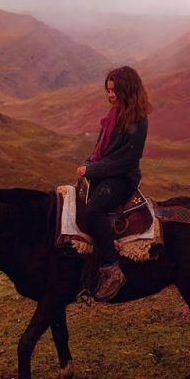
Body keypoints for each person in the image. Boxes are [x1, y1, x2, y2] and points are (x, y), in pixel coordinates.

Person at [76, 66, 151, 301]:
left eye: (114, 90)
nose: (110, 95)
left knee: (95, 210)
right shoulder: (111, 117)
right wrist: (89, 164)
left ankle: (111, 268)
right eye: (108, 90)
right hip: (105, 174)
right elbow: (101, 150)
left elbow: (125, 161)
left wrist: (92, 169)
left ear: (126, 90)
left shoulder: (138, 120)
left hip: (122, 178)